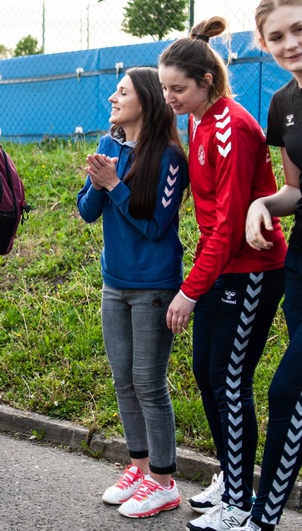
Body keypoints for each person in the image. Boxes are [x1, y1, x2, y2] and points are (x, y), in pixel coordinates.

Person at [159, 18, 288, 531]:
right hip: (220, 265)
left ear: (205, 82)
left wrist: (190, 290)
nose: (169, 98)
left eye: (178, 89)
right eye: (165, 88)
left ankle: (239, 499)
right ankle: (230, 477)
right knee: (208, 377)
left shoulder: (232, 126)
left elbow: (233, 223)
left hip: (252, 268)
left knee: (229, 382)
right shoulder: (198, 119)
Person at [77, 67, 189, 518]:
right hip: (114, 284)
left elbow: (155, 228)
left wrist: (114, 185)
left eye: (121, 92)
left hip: (154, 287)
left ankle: (164, 481)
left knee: (148, 383)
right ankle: (140, 469)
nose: (112, 98)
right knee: (124, 380)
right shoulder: (110, 145)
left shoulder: (168, 158)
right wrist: (99, 180)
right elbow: (87, 211)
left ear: (145, 99)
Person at [237, 2, 302, 530]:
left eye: (299, 29)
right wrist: (263, 204)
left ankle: (263, 517)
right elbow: (295, 191)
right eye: (277, 36)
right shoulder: (283, 101)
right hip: (301, 261)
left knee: (287, 392)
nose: (290, 44)